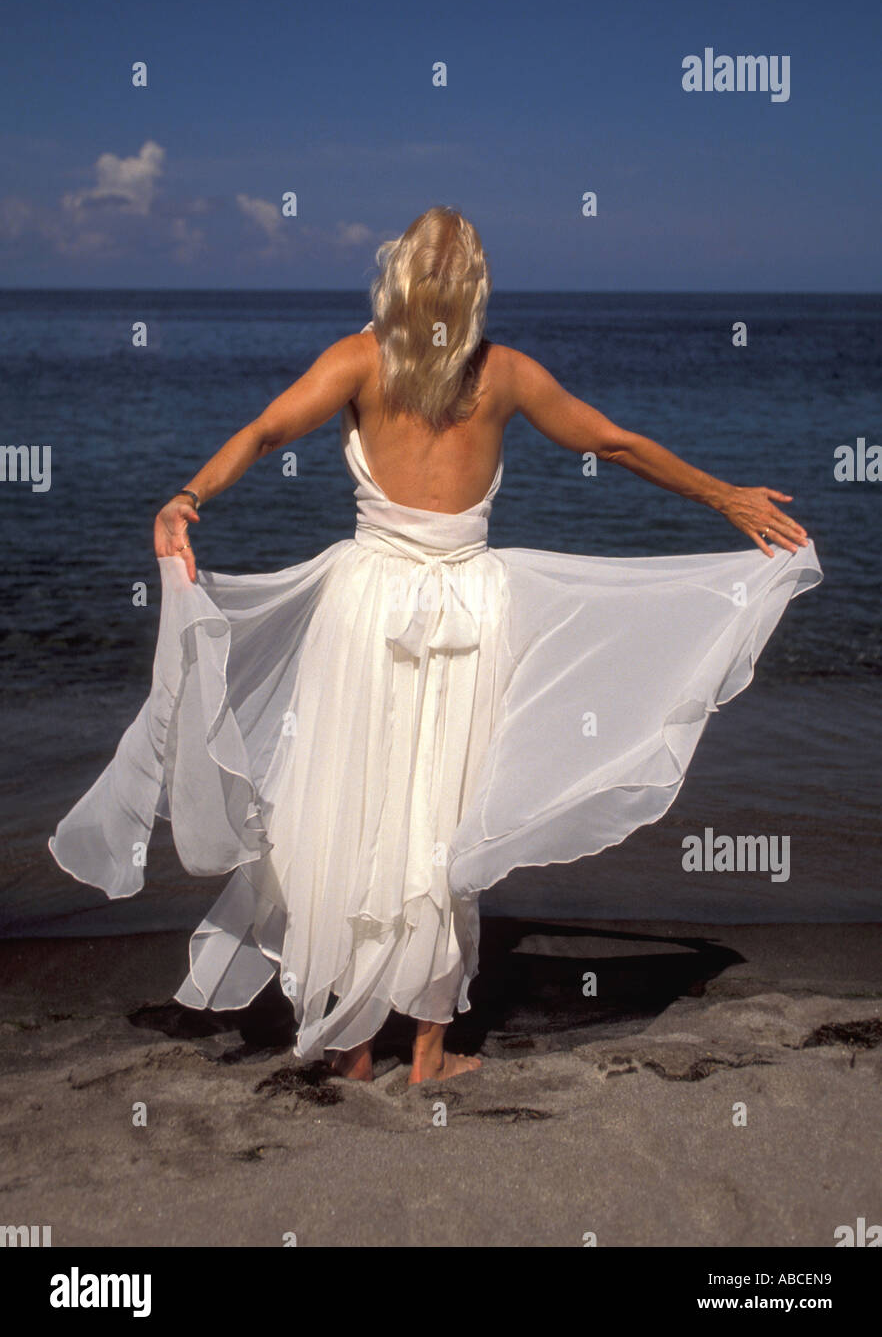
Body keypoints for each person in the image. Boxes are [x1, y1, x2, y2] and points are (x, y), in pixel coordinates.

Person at [49, 206, 822, 1083]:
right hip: (468, 610)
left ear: (399, 277)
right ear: (477, 289)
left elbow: (265, 432)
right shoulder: (507, 375)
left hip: (365, 605)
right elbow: (613, 443)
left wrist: (188, 495)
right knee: (441, 817)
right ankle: (427, 1053)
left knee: (348, 803)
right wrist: (725, 497)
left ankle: (351, 1051)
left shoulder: (359, 358)